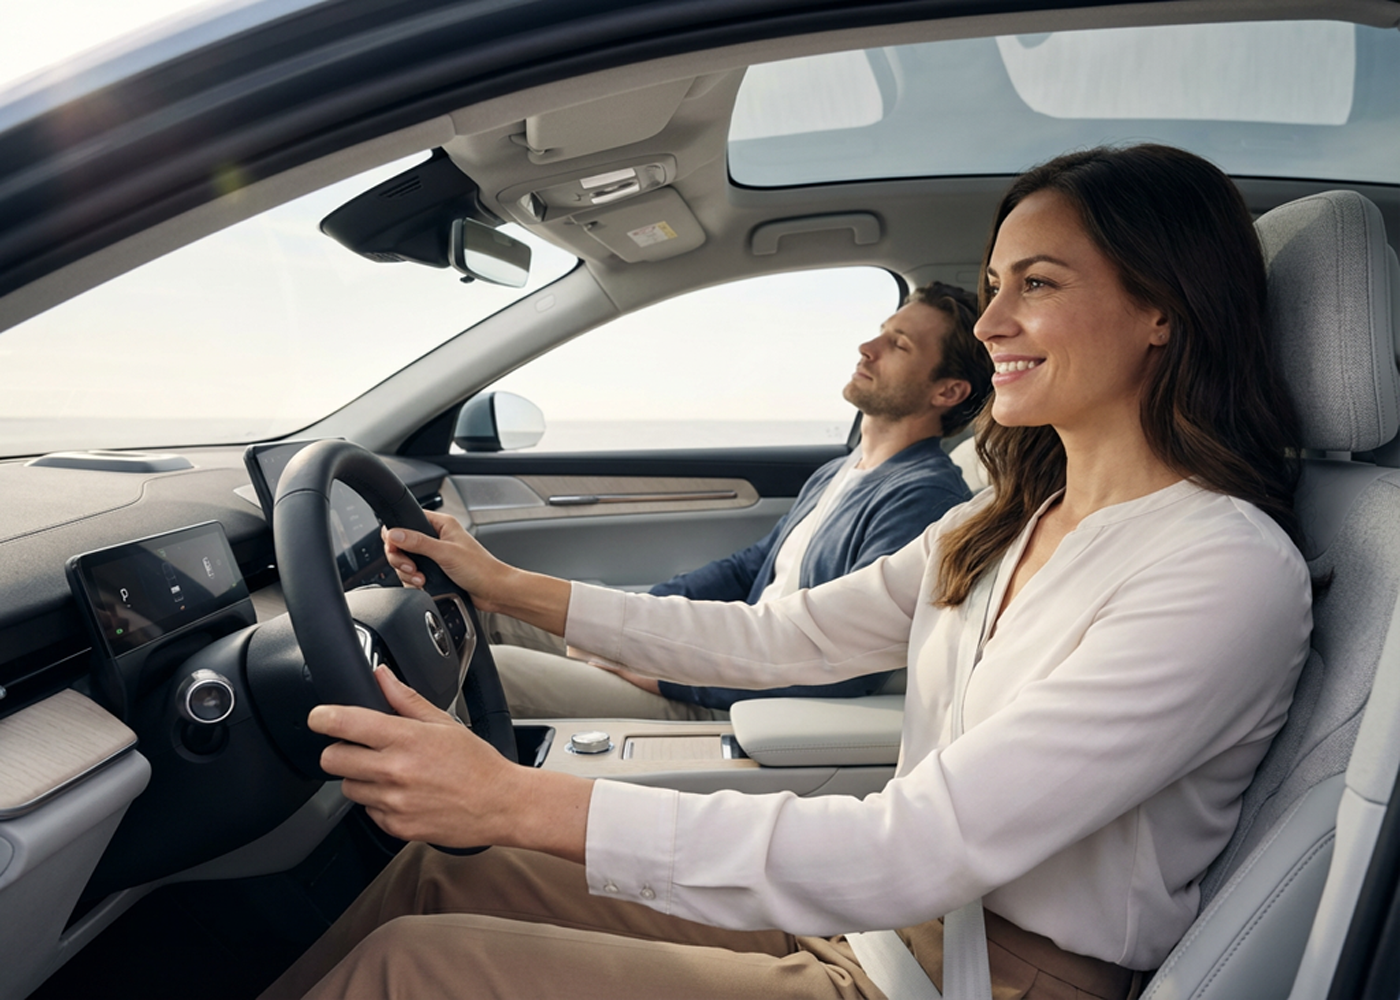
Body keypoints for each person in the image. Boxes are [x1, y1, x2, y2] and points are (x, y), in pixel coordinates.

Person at [262, 144, 1313, 1000]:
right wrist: (502, 586)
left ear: (1162, 310)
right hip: (886, 925)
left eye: (1035, 284)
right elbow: (776, 636)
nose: (992, 322)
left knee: (416, 968)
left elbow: (916, 845)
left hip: (987, 976)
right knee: (443, 873)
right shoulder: (1004, 520)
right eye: (995, 286)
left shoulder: (1219, 570)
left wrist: (511, 797)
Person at [488, 281, 992, 721]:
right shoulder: (842, 470)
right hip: (719, 657)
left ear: (947, 391)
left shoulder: (923, 499)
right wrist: (641, 616)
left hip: (734, 699)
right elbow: (749, 567)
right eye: (881, 331)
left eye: (898, 344)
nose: (867, 347)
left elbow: (847, 666)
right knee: (496, 615)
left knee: (498, 671)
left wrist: (661, 674)